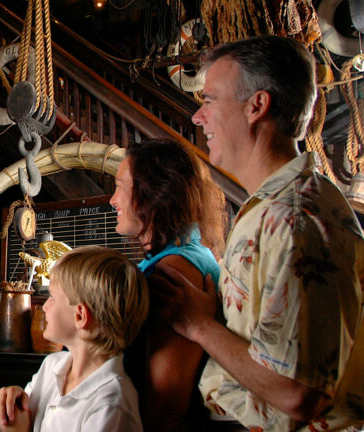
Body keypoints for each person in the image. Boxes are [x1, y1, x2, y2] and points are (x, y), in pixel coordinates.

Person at [155, 35, 364, 431]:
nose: (197, 116)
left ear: (256, 106)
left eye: (209, 100)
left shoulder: (293, 218)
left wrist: (197, 325)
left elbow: (296, 392)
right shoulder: (272, 208)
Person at [109, 138, 227, 431]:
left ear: (153, 193)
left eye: (121, 186)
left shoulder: (174, 272)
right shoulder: (189, 254)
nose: (112, 200)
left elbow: (167, 407)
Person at [0, 245, 150, 431]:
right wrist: (9, 402)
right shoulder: (52, 367)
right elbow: (17, 417)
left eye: (52, 297)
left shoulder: (111, 406)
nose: (45, 306)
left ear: (80, 316)